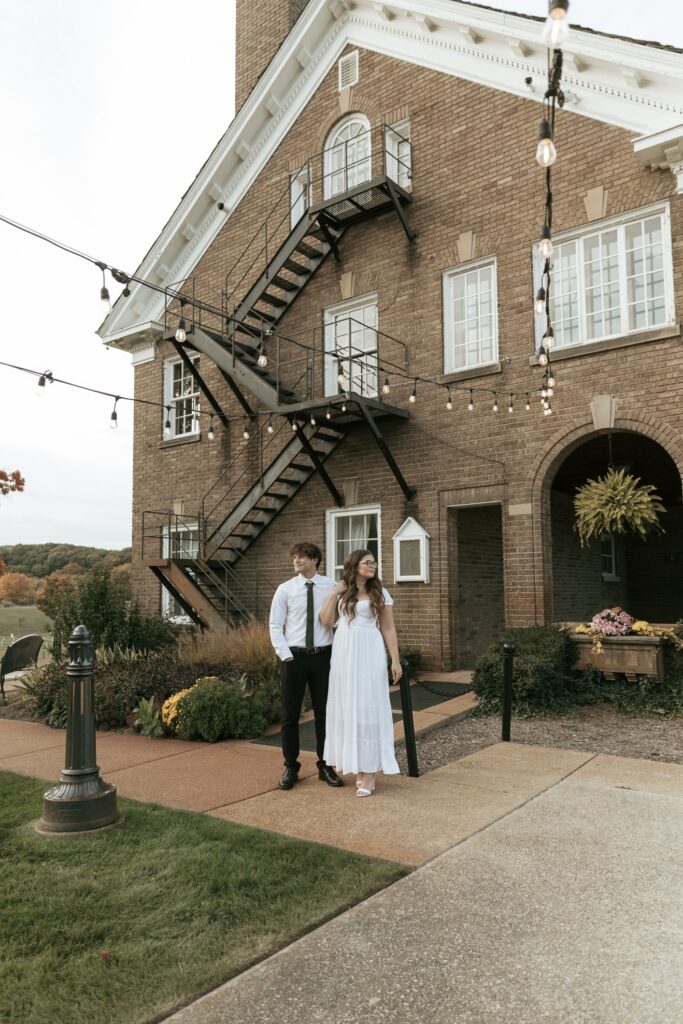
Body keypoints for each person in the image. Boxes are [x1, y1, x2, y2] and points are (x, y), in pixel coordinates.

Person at [319, 548, 401, 797]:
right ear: (354, 565)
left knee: (367, 706)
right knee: (348, 707)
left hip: (369, 649)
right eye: (368, 562)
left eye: (374, 562)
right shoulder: (341, 591)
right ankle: (355, 764)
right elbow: (325, 620)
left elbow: (388, 628)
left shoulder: (380, 592)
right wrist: (334, 592)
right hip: (344, 652)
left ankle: (368, 772)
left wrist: (395, 660)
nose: (373, 565)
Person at [269, 542, 344, 791]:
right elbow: (274, 624)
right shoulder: (285, 589)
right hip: (294, 658)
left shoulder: (331, 586)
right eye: (294, 557)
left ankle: (326, 765)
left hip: (323, 657)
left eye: (301, 557)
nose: (296, 560)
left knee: (325, 714)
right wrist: (285, 655)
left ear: (315, 560)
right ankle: (291, 765)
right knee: (290, 715)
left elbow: (344, 617)